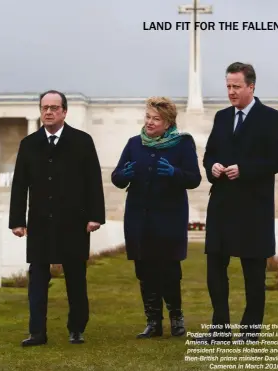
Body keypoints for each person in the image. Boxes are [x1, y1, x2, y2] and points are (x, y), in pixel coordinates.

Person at [201, 62, 278, 344]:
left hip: (254, 207)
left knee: (253, 274)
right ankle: (220, 332)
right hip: (222, 205)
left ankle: (250, 334)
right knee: (215, 268)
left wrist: (245, 169)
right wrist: (212, 167)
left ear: (251, 86)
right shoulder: (221, 117)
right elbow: (209, 154)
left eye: (236, 86)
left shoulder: (273, 119)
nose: (231, 92)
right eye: (228, 86)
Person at [9, 90, 105, 346]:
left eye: (54, 107)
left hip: (74, 222)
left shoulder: (82, 141)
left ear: (64, 111)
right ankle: (37, 332)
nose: (48, 112)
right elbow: (20, 185)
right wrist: (17, 220)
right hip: (40, 224)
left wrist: (95, 216)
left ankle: (76, 329)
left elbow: (93, 182)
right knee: (37, 281)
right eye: (44, 108)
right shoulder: (28, 144)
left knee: (76, 280)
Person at [111, 96, 202, 338]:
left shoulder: (182, 144)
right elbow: (117, 177)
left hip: (169, 218)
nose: (150, 123)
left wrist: (175, 173)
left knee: (169, 270)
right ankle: (153, 322)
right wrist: (123, 175)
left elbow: (194, 178)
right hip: (139, 219)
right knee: (145, 270)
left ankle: (176, 319)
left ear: (168, 123)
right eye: (148, 117)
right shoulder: (133, 144)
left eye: (156, 119)